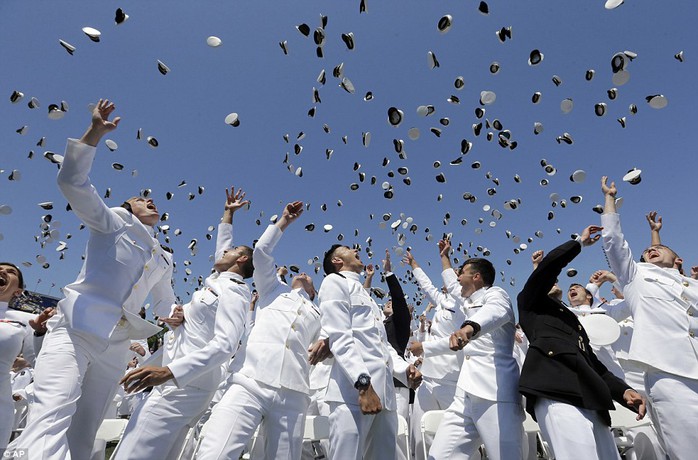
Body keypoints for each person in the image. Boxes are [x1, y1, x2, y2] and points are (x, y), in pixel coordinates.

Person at [8, 100, 178, 460]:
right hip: (76, 328)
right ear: (128, 207)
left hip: (117, 344)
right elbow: (71, 181)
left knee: (85, 432)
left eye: (152, 200)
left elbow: (165, 303)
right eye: (140, 198)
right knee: (51, 414)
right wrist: (95, 133)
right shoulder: (114, 221)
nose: (149, 201)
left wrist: (176, 314)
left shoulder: (165, 257)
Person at [111, 186, 251, 460]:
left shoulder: (233, 291)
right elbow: (221, 251)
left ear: (242, 260)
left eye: (232, 250)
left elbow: (225, 345)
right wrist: (227, 215)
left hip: (182, 383)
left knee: (133, 452)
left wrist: (170, 372)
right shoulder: (218, 282)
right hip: (190, 384)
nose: (224, 252)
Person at [196, 201, 323, 459]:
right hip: (249, 381)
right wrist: (284, 221)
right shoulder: (273, 288)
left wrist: (327, 342)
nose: (305, 274)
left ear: (313, 292)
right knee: (215, 453)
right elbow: (262, 252)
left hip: (294, 393)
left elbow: (328, 340)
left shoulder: (318, 313)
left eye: (310, 278)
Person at [517, 224, 646, 460]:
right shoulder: (531, 303)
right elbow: (547, 270)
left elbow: (593, 364)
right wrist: (579, 242)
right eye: (551, 280)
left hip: (592, 397)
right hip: (556, 393)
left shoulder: (573, 322)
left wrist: (623, 390)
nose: (556, 281)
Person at [601, 177, 698, 460]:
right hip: (670, 375)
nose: (649, 251)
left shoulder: (690, 284)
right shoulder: (637, 277)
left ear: (677, 258)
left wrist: (657, 236)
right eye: (645, 253)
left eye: (657, 249)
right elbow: (614, 243)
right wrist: (609, 199)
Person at [319, 243, 421, 460]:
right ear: (337, 261)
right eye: (348, 249)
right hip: (353, 395)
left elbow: (382, 347)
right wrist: (363, 384)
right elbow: (340, 337)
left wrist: (405, 370)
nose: (356, 250)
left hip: (384, 395)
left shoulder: (369, 299)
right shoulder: (335, 282)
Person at [427, 243, 524, 460]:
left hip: (495, 392)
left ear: (477, 277)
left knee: (505, 456)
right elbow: (451, 284)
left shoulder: (496, 295)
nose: (457, 277)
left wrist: (469, 328)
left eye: (461, 273)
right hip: (465, 393)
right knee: (440, 455)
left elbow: (494, 313)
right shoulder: (466, 299)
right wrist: (444, 257)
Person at [403, 248, 464, 460]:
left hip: (452, 378)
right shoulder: (444, 301)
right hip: (428, 377)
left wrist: (425, 347)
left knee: (455, 436)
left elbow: (460, 340)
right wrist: (413, 264)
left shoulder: (468, 306)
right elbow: (427, 286)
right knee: (421, 433)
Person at [1, 263, 27, 449]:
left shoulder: (25, 320)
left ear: (18, 292)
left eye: (11, 272)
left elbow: (40, 359)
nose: (2, 271)